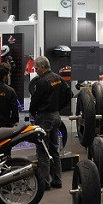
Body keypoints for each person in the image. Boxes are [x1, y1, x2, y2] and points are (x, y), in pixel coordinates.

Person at [28, 56, 63, 190]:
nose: (36, 71)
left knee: (43, 150)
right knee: (54, 149)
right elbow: (68, 94)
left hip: (44, 117)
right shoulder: (58, 78)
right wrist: (58, 106)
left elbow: (35, 101)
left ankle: (44, 182)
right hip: (56, 116)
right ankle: (57, 180)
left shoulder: (42, 82)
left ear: (43, 67)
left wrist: (32, 113)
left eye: (36, 68)